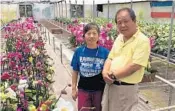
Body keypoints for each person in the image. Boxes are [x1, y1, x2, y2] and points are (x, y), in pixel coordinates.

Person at [101, 8, 150, 111]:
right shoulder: (119, 37)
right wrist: (105, 72)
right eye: (119, 22)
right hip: (111, 86)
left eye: (126, 21)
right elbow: (110, 57)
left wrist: (113, 75)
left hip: (126, 89)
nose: (122, 25)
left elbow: (135, 66)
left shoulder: (142, 40)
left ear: (134, 21)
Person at [71, 22, 109, 111]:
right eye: (88, 33)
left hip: (99, 90)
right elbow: (75, 71)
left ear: (99, 36)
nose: (91, 36)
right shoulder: (79, 51)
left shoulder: (105, 52)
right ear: (84, 36)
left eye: (94, 33)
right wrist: (73, 89)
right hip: (83, 89)